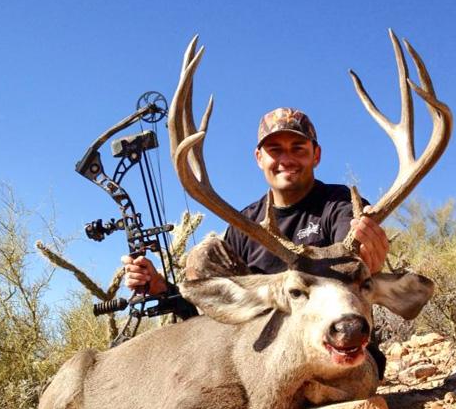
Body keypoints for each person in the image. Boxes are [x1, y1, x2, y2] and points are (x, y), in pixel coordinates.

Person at [122, 107, 390, 372]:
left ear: (316, 155)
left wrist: (367, 259)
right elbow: (215, 309)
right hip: (260, 360)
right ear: (259, 157)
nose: (286, 159)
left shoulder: (340, 205)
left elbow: (352, 265)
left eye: (298, 148)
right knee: (204, 254)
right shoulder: (244, 225)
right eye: (275, 150)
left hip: (333, 347)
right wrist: (161, 288)